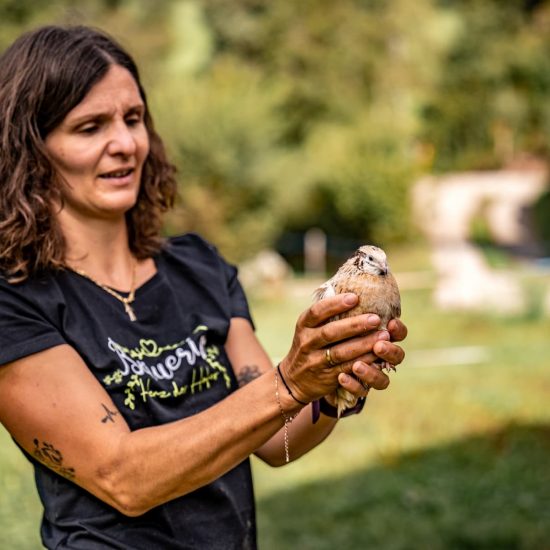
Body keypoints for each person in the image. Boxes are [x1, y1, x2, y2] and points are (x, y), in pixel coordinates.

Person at [0, 25, 407, 550]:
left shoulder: (197, 267)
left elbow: (278, 443)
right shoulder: (15, 300)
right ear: (31, 149)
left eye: (133, 119)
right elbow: (123, 478)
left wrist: (332, 380)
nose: (124, 144)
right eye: (89, 127)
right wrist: (289, 383)